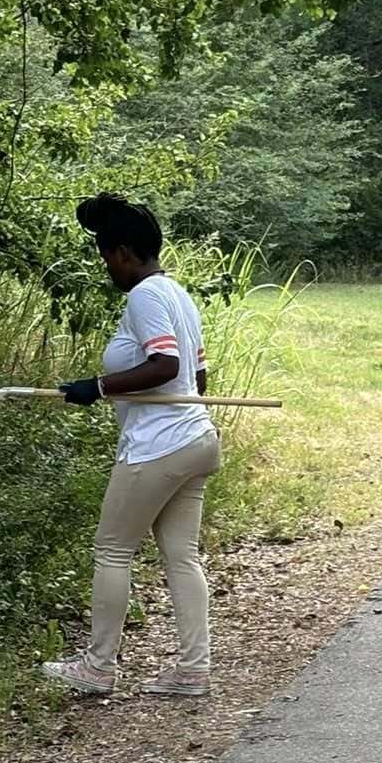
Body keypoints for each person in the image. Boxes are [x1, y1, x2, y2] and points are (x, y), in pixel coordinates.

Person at [42, 195, 222, 699]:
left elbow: (165, 367)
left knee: (111, 549)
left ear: (123, 252)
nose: (107, 269)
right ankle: (192, 669)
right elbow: (197, 379)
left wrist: (97, 387)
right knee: (181, 555)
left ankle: (98, 668)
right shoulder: (179, 295)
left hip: (159, 447)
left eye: (106, 257)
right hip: (196, 439)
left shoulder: (144, 296)